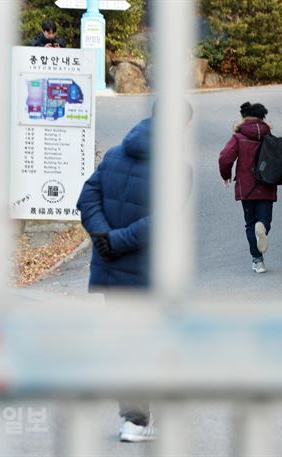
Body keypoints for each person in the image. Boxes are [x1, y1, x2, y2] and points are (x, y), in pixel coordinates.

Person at [77, 101, 193, 442]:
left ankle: (133, 418)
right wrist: (118, 241)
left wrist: (104, 240)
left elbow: (87, 199)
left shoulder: (114, 154)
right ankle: (138, 421)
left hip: (109, 271)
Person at [218, 102, 282, 274]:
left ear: (243, 118)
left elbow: (225, 158)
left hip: (247, 188)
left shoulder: (238, 137)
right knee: (264, 222)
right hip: (267, 185)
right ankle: (262, 226)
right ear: (262, 118)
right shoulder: (269, 136)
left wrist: (226, 175)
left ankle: (258, 261)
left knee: (250, 224)